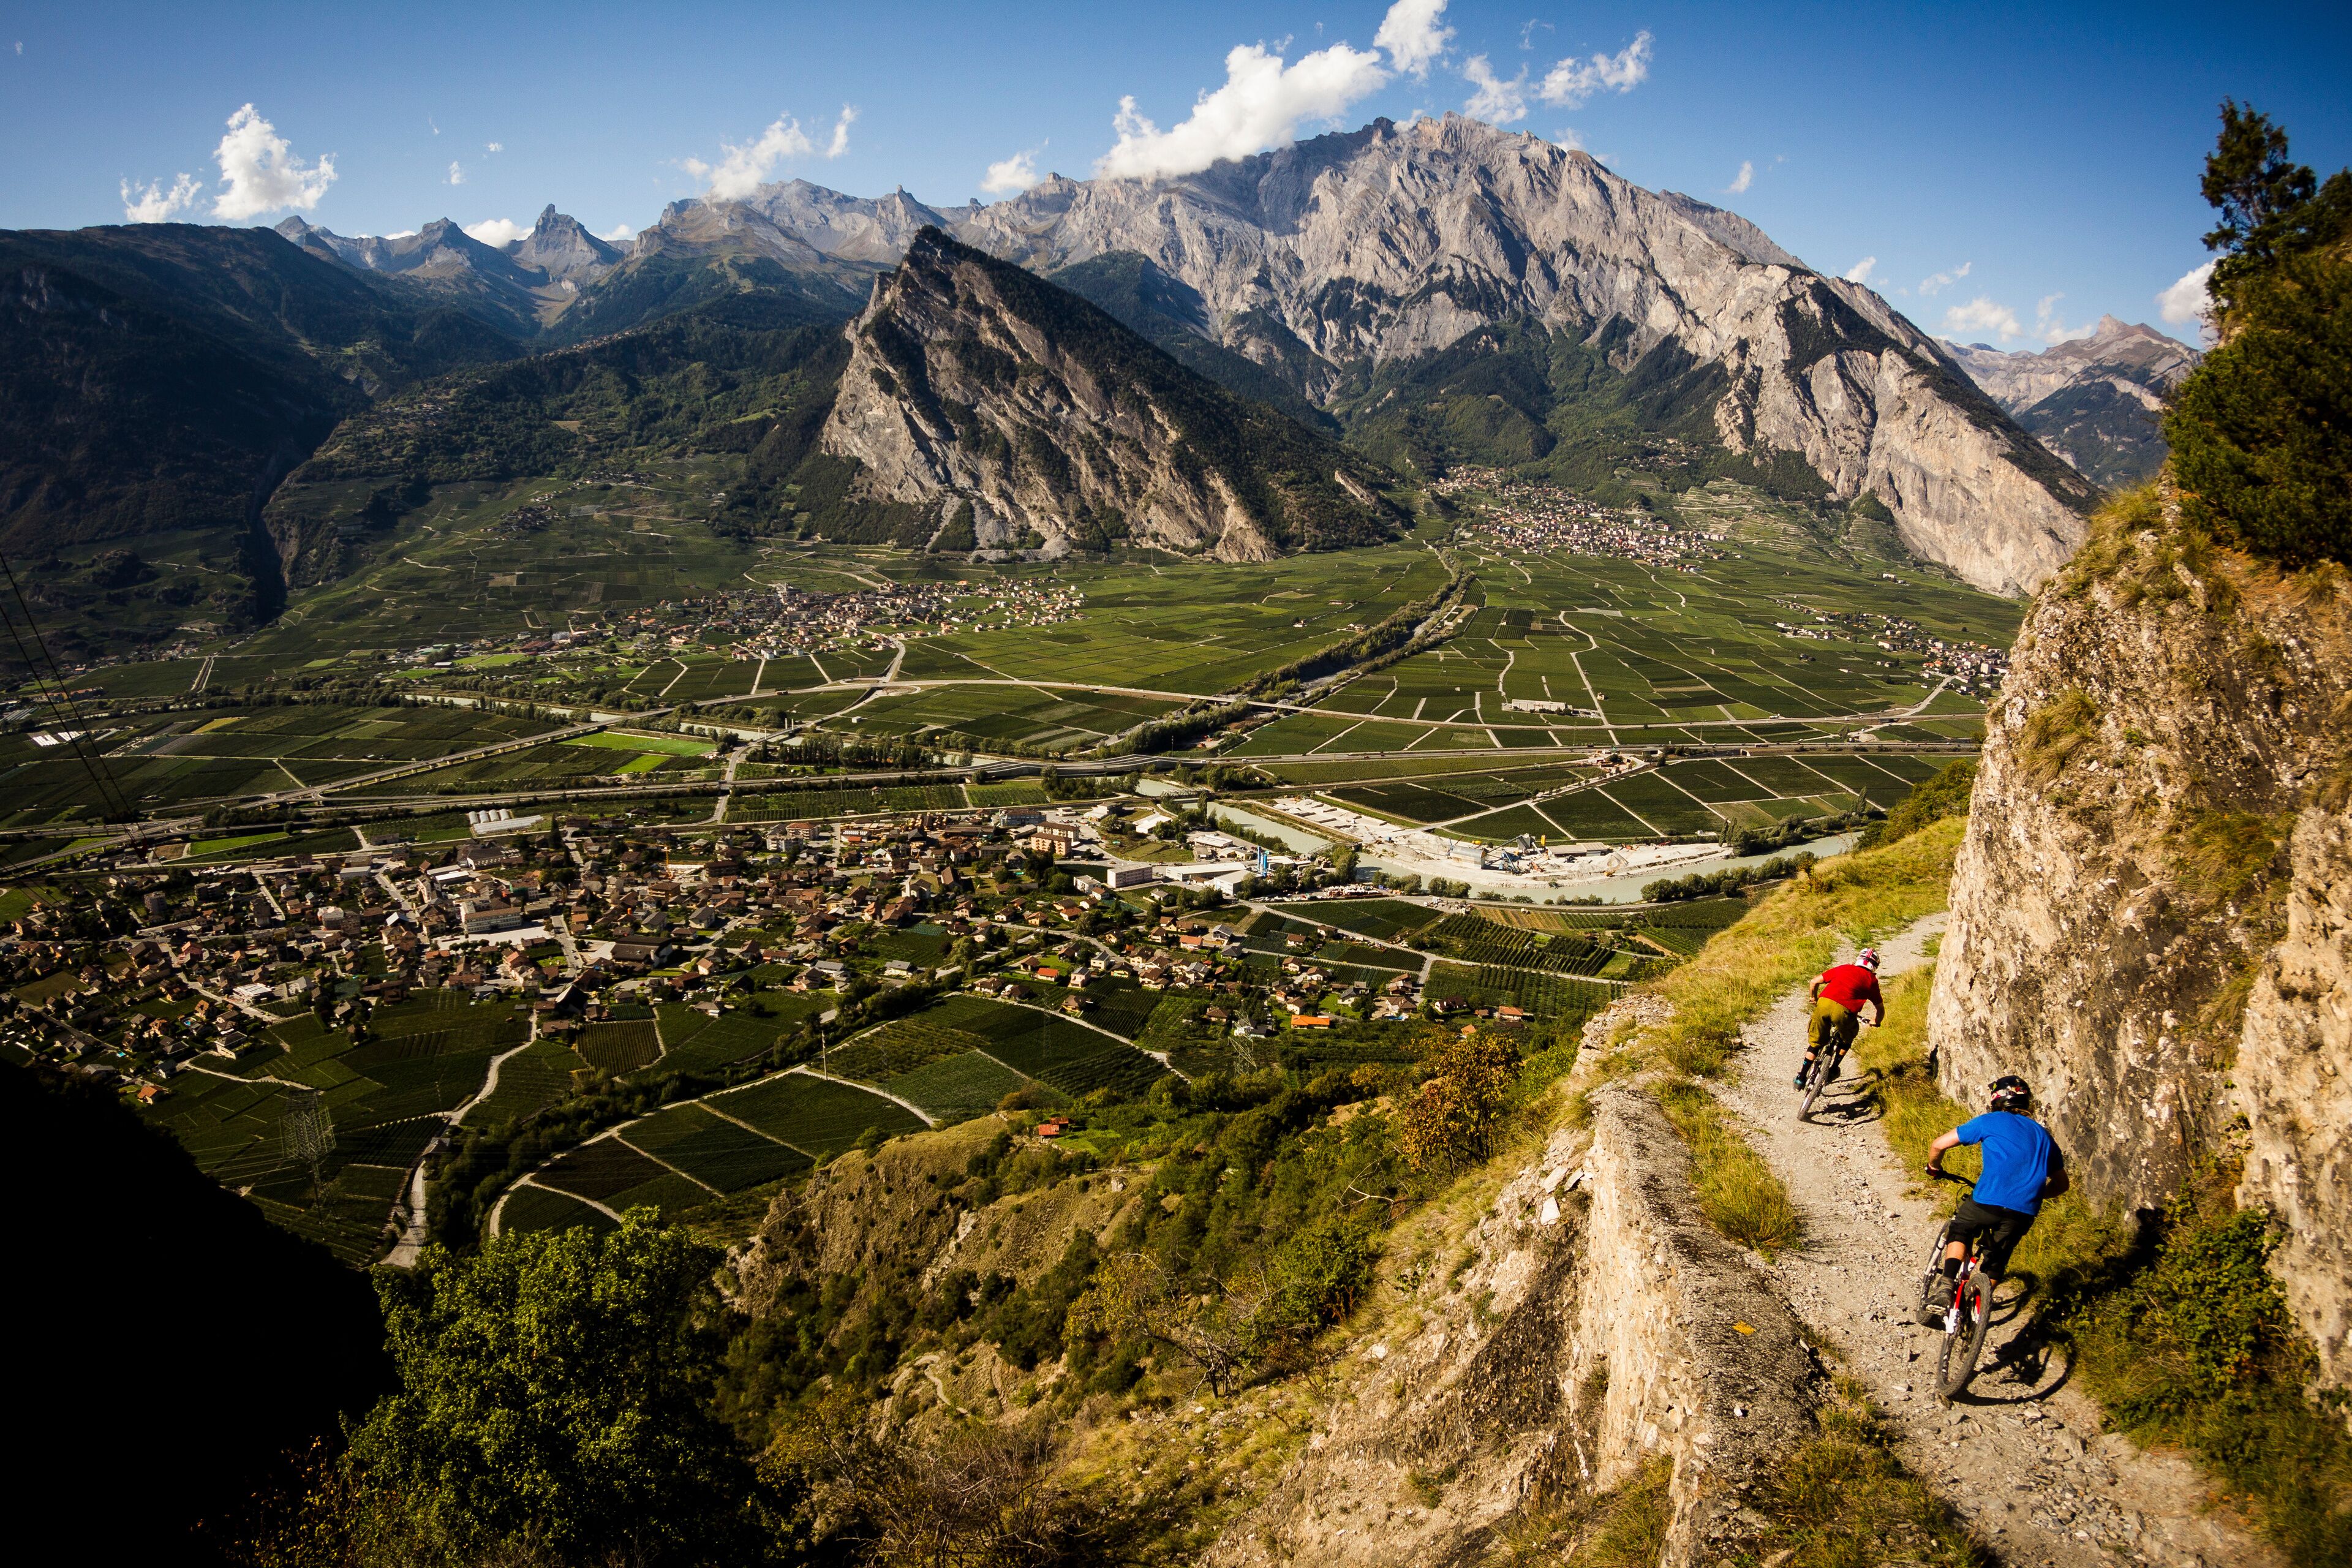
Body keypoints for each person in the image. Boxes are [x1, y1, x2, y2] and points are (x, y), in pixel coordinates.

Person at [1921, 1076, 2070, 1319]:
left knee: (1961, 1228)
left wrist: (1934, 1167)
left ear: (1996, 1099)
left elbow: (1939, 1145)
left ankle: (1946, 1286)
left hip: (1987, 1200)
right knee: (1997, 1261)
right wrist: (2031, 1193)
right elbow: (2062, 1185)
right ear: (2026, 1100)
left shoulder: (1991, 1121)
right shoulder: (2044, 1136)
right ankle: (1973, 1311)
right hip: (2024, 1211)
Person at [1794, 946, 1883, 1090]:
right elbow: (1880, 1008)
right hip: (1845, 1013)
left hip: (1824, 1004)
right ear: (1875, 966)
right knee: (1848, 1037)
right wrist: (1876, 1022)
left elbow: (1814, 982)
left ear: (1858, 960)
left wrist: (1813, 998)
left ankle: (1801, 1078)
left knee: (1816, 1044)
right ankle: (1833, 1068)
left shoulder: (1844, 968)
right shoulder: (1872, 981)